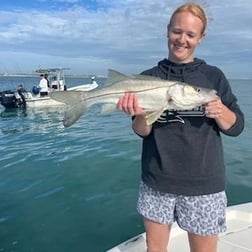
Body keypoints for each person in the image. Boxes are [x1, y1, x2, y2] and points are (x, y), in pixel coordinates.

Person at [117, 2, 244, 252]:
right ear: (167, 31)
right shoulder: (146, 78)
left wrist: (221, 112)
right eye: (177, 31)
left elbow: (237, 127)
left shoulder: (213, 77)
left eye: (190, 34)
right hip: (156, 181)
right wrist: (140, 115)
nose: (182, 39)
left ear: (201, 37)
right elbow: (141, 131)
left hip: (205, 185)